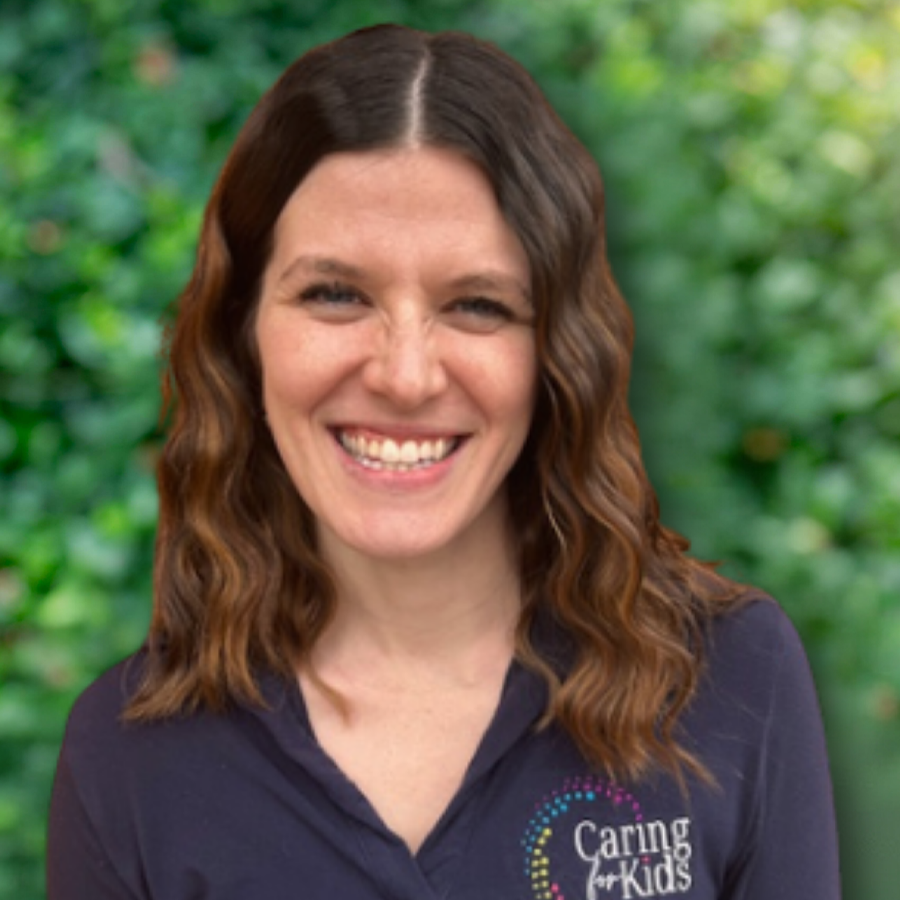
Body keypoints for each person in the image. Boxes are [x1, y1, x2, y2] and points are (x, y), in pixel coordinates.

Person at [47, 23, 840, 900]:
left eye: (477, 305)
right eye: (335, 294)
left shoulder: (730, 678)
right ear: (244, 334)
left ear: (557, 352)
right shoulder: (129, 756)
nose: (406, 375)